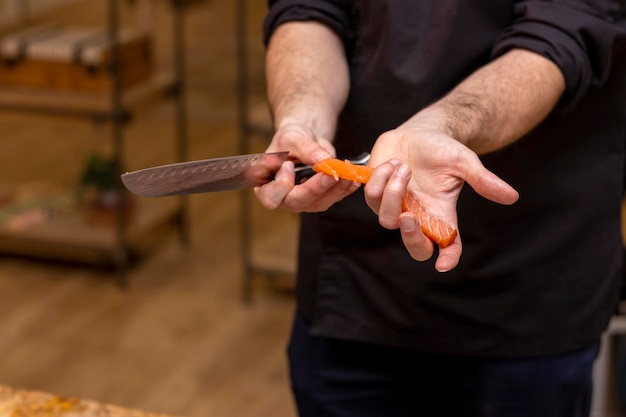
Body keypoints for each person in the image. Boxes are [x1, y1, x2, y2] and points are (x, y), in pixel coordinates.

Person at [255, 1, 626, 416]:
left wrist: (444, 125)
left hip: (530, 286)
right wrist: (301, 118)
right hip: (353, 285)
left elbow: (558, 37)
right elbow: (310, 9)